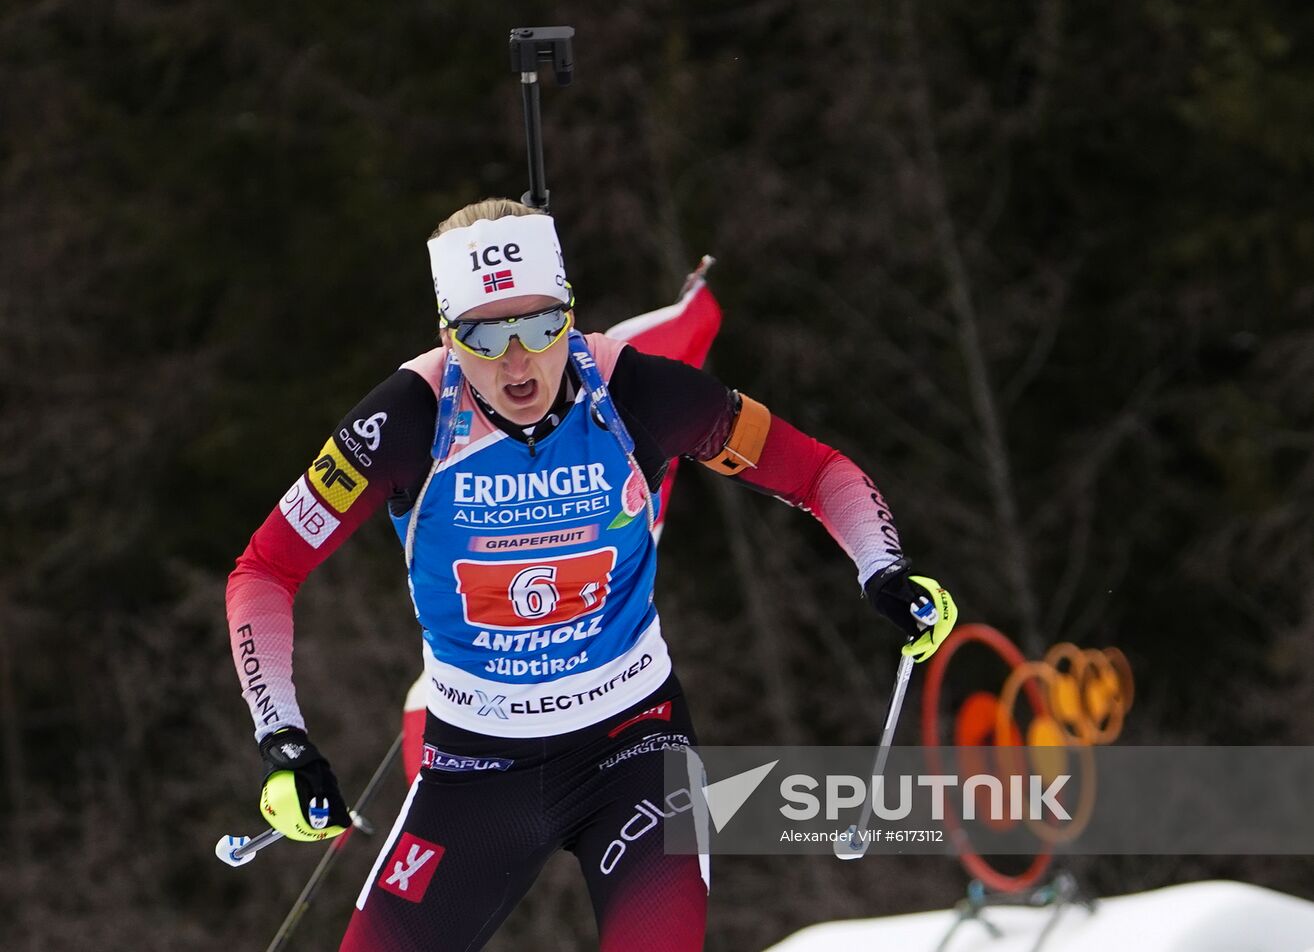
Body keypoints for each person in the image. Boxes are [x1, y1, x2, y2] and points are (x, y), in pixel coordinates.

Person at [225, 198, 958, 951]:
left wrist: (883, 569)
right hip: (476, 766)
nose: (518, 361)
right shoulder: (404, 422)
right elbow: (266, 569)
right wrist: (284, 741)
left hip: (634, 745)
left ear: (570, 315)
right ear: (448, 335)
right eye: (485, 334)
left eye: (541, 325)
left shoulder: (636, 393)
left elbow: (816, 472)